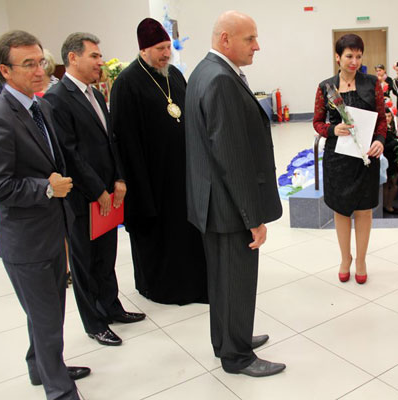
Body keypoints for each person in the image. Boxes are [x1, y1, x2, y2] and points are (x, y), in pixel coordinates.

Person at [185, 10, 285, 377]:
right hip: (228, 206)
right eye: (250, 38)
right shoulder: (221, 80)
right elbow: (232, 158)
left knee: (222, 280)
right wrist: (252, 218)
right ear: (225, 39)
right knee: (236, 281)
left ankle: (228, 339)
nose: (257, 46)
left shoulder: (204, 71)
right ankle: (238, 356)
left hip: (211, 201)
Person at [0, 30, 89, 400]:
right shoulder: (0, 116)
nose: (39, 71)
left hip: (53, 230)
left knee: (49, 312)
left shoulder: (41, 107)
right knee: (47, 318)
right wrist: (46, 188)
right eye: (28, 64)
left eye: (41, 62)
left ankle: (42, 366)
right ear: (5, 70)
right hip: (26, 241)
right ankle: (59, 389)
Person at [45, 32, 146, 347]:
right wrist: (98, 191)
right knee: (85, 264)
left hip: (108, 194)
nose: (100, 62)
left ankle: (111, 307)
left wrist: (119, 179)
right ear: (73, 58)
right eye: (94, 56)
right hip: (83, 199)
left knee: (106, 257)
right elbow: (70, 154)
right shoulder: (58, 99)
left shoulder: (97, 95)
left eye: (100, 56)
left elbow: (109, 141)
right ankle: (94, 322)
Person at [110, 18, 208, 305]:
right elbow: (125, 140)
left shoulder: (174, 75)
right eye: (160, 49)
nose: (166, 54)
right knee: (162, 234)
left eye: (168, 47)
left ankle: (193, 282)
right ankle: (162, 288)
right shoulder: (126, 83)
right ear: (144, 50)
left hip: (183, 173)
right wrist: (137, 186)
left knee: (186, 232)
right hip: (151, 179)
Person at [313, 34, 386, 284]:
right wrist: (333, 129)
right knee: (341, 210)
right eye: (349, 56)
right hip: (338, 158)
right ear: (337, 57)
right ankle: (346, 258)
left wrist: (380, 140)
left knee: (364, 210)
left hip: (366, 155)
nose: (354, 61)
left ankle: (362, 259)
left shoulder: (372, 83)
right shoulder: (326, 87)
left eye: (358, 56)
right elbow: (317, 122)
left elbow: (382, 119)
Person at [382, 107, 398, 215]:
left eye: (389, 116)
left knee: (389, 184)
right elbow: (383, 146)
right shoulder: (383, 129)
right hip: (388, 159)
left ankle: (387, 205)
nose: (388, 118)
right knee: (393, 184)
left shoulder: (390, 128)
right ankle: (388, 205)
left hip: (390, 159)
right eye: (386, 116)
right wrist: (396, 142)